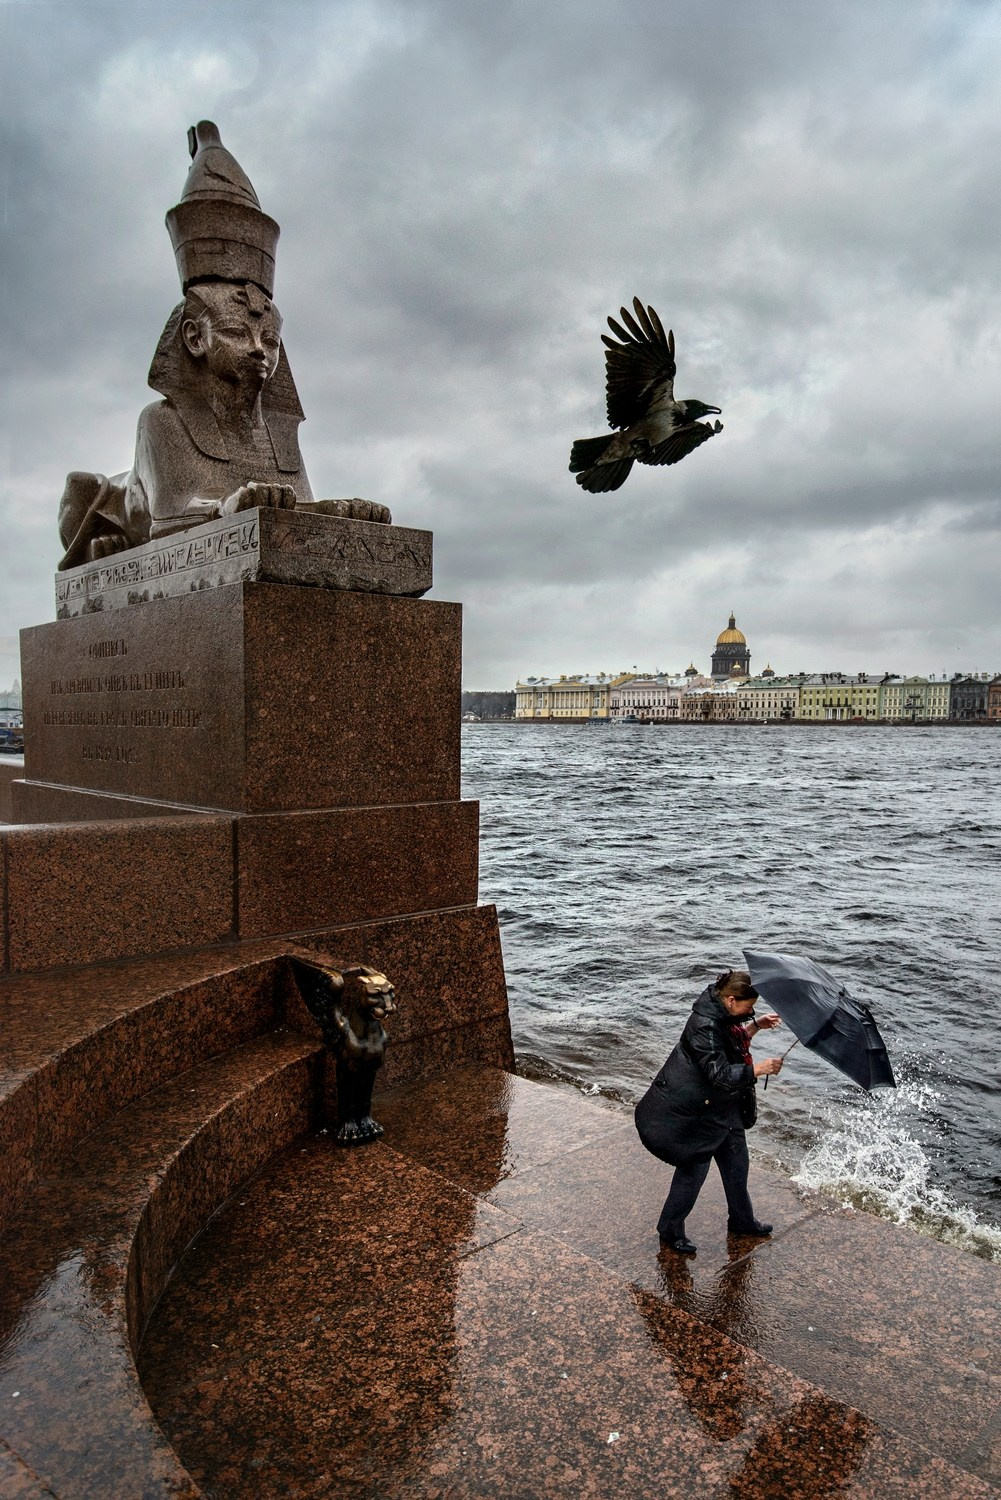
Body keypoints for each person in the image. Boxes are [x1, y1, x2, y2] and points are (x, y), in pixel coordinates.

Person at [634, 968, 783, 1254]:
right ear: (731, 1000)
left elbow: (730, 1045)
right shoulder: (704, 1025)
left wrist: (755, 1026)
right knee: (694, 1171)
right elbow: (719, 1073)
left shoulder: (723, 1015)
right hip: (698, 1111)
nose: (751, 1011)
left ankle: (742, 1221)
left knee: (737, 1164)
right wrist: (758, 1069)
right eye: (749, 1007)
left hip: (724, 1106)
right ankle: (670, 1228)